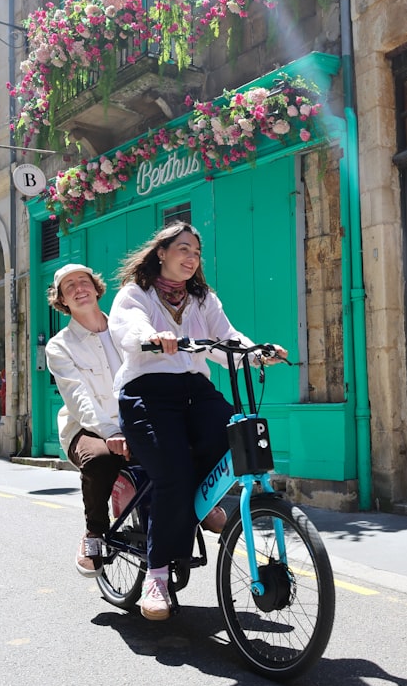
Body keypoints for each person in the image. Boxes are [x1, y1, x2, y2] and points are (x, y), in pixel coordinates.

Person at [109, 221, 286, 621]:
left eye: (196, 253)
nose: (191, 259)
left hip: (193, 389)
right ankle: (156, 576)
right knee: (171, 472)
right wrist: (154, 336)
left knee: (235, 435)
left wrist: (257, 352)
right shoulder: (134, 294)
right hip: (147, 392)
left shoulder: (203, 298)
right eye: (183, 249)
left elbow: (227, 338)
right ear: (162, 252)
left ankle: (199, 500)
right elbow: (128, 330)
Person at [45, 263, 129, 578]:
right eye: (70, 287)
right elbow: (79, 398)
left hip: (132, 421)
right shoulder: (59, 346)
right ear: (62, 301)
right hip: (85, 428)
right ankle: (94, 533)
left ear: (96, 288)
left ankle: (197, 509)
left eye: (84, 282)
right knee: (101, 458)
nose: (79, 289)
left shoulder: (124, 330)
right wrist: (110, 433)